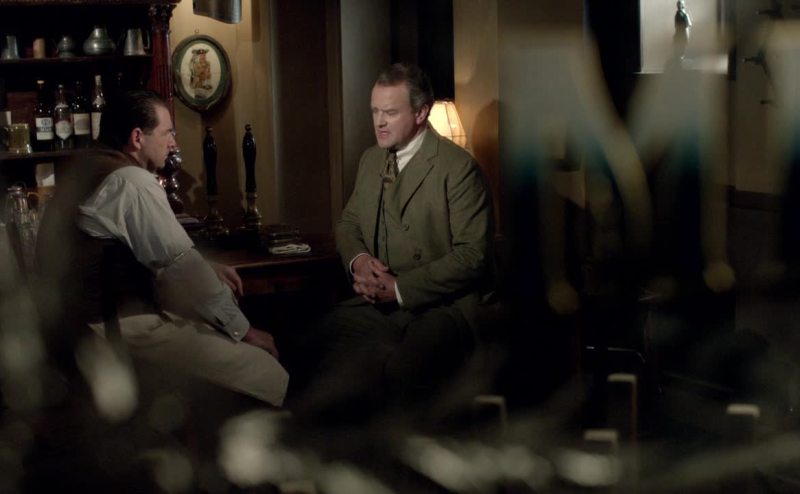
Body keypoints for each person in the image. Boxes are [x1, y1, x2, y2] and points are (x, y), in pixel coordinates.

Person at [35, 90, 288, 407]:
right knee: (263, 367)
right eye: (168, 133)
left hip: (72, 331)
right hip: (116, 331)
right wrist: (246, 331)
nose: (174, 144)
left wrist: (204, 268)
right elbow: (182, 267)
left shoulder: (86, 167)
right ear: (137, 137)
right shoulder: (132, 182)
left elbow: (143, 252)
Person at [291, 63, 494, 422]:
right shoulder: (371, 160)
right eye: (375, 112)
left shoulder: (458, 168)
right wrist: (359, 261)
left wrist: (399, 288)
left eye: (390, 112)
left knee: (404, 370)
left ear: (421, 113)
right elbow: (349, 222)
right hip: (379, 305)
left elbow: (472, 256)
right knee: (308, 345)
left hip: (442, 307)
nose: (379, 122)